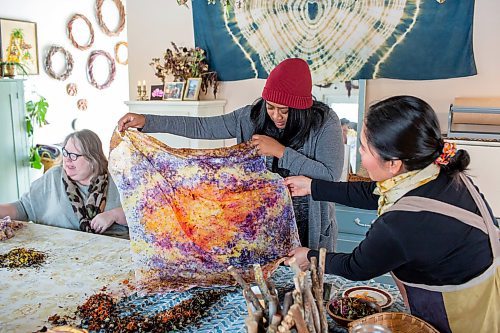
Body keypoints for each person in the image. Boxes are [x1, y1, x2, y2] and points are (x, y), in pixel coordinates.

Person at [284, 96, 499, 333]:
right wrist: (312, 187)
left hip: (464, 313)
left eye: (364, 149)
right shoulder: (436, 171)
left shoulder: (400, 224)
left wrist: (309, 256)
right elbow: (373, 192)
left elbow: (358, 266)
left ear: (393, 164)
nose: (361, 157)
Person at [118, 58, 344, 251]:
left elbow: (330, 176)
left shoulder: (325, 123)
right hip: (260, 228)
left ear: (301, 109)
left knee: (310, 296)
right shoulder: (250, 118)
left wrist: (279, 151)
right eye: (271, 107)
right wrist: (148, 121)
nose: (276, 115)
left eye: (284, 110)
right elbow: (201, 127)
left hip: (309, 229)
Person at [0, 129, 129, 238]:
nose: (67, 160)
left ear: (93, 158)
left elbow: (145, 216)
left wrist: (114, 215)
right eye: (66, 153)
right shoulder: (53, 177)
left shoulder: (119, 180)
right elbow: (23, 208)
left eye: (74, 156)